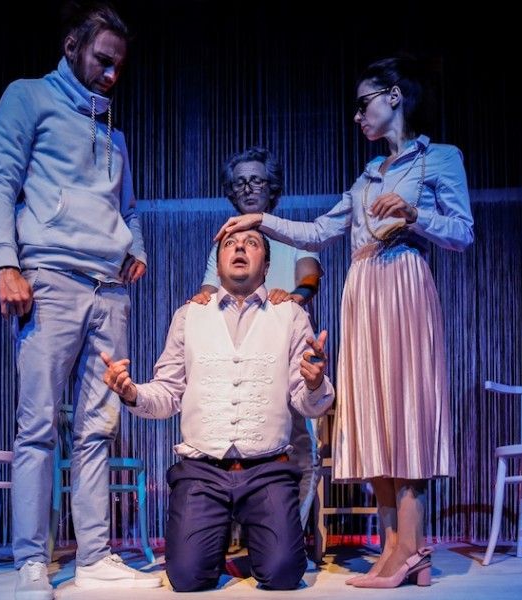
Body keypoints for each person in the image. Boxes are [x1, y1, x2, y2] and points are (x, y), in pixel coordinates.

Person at [215, 55, 474, 589]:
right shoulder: (367, 176)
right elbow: (318, 232)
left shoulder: (439, 159)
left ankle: (413, 547)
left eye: (363, 104)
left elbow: (462, 232)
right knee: (374, 415)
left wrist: (415, 214)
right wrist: (260, 220)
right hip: (363, 290)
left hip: (403, 284)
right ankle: (392, 548)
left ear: (394, 96)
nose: (357, 116)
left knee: (406, 412)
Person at [0, 2, 162, 597]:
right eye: (102, 61)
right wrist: (7, 263)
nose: (111, 74)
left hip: (109, 290)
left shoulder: (115, 134)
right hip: (51, 279)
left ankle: (94, 556)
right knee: (37, 426)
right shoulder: (28, 97)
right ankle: (31, 560)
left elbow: (128, 209)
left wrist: (136, 246)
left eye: (119, 67)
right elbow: (1, 182)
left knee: (97, 428)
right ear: (72, 47)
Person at [101, 229, 335, 592]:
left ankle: (260, 548)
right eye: (229, 244)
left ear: (266, 265)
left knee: (284, 573)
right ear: (218, 262)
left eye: (251, 243)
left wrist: (316, 382)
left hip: (267, 469)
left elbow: (305, 401)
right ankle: (213, 544)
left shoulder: (290, 314)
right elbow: (168, 393)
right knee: (186, 578)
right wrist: (132, 393)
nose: (239, 247)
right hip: (202, 470)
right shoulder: (189, 315)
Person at [191, 146, 323, 532]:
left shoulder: (292, 234)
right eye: (240, 183)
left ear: (272, 187)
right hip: (237, 357)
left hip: (285, 352)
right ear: (231, 192)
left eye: (257, 181)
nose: (248, 189)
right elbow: (208, 290)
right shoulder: (225, 241)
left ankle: (291, 534)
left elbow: (309, 277)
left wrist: (293, 298)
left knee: (299, 449)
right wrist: (199, 302)